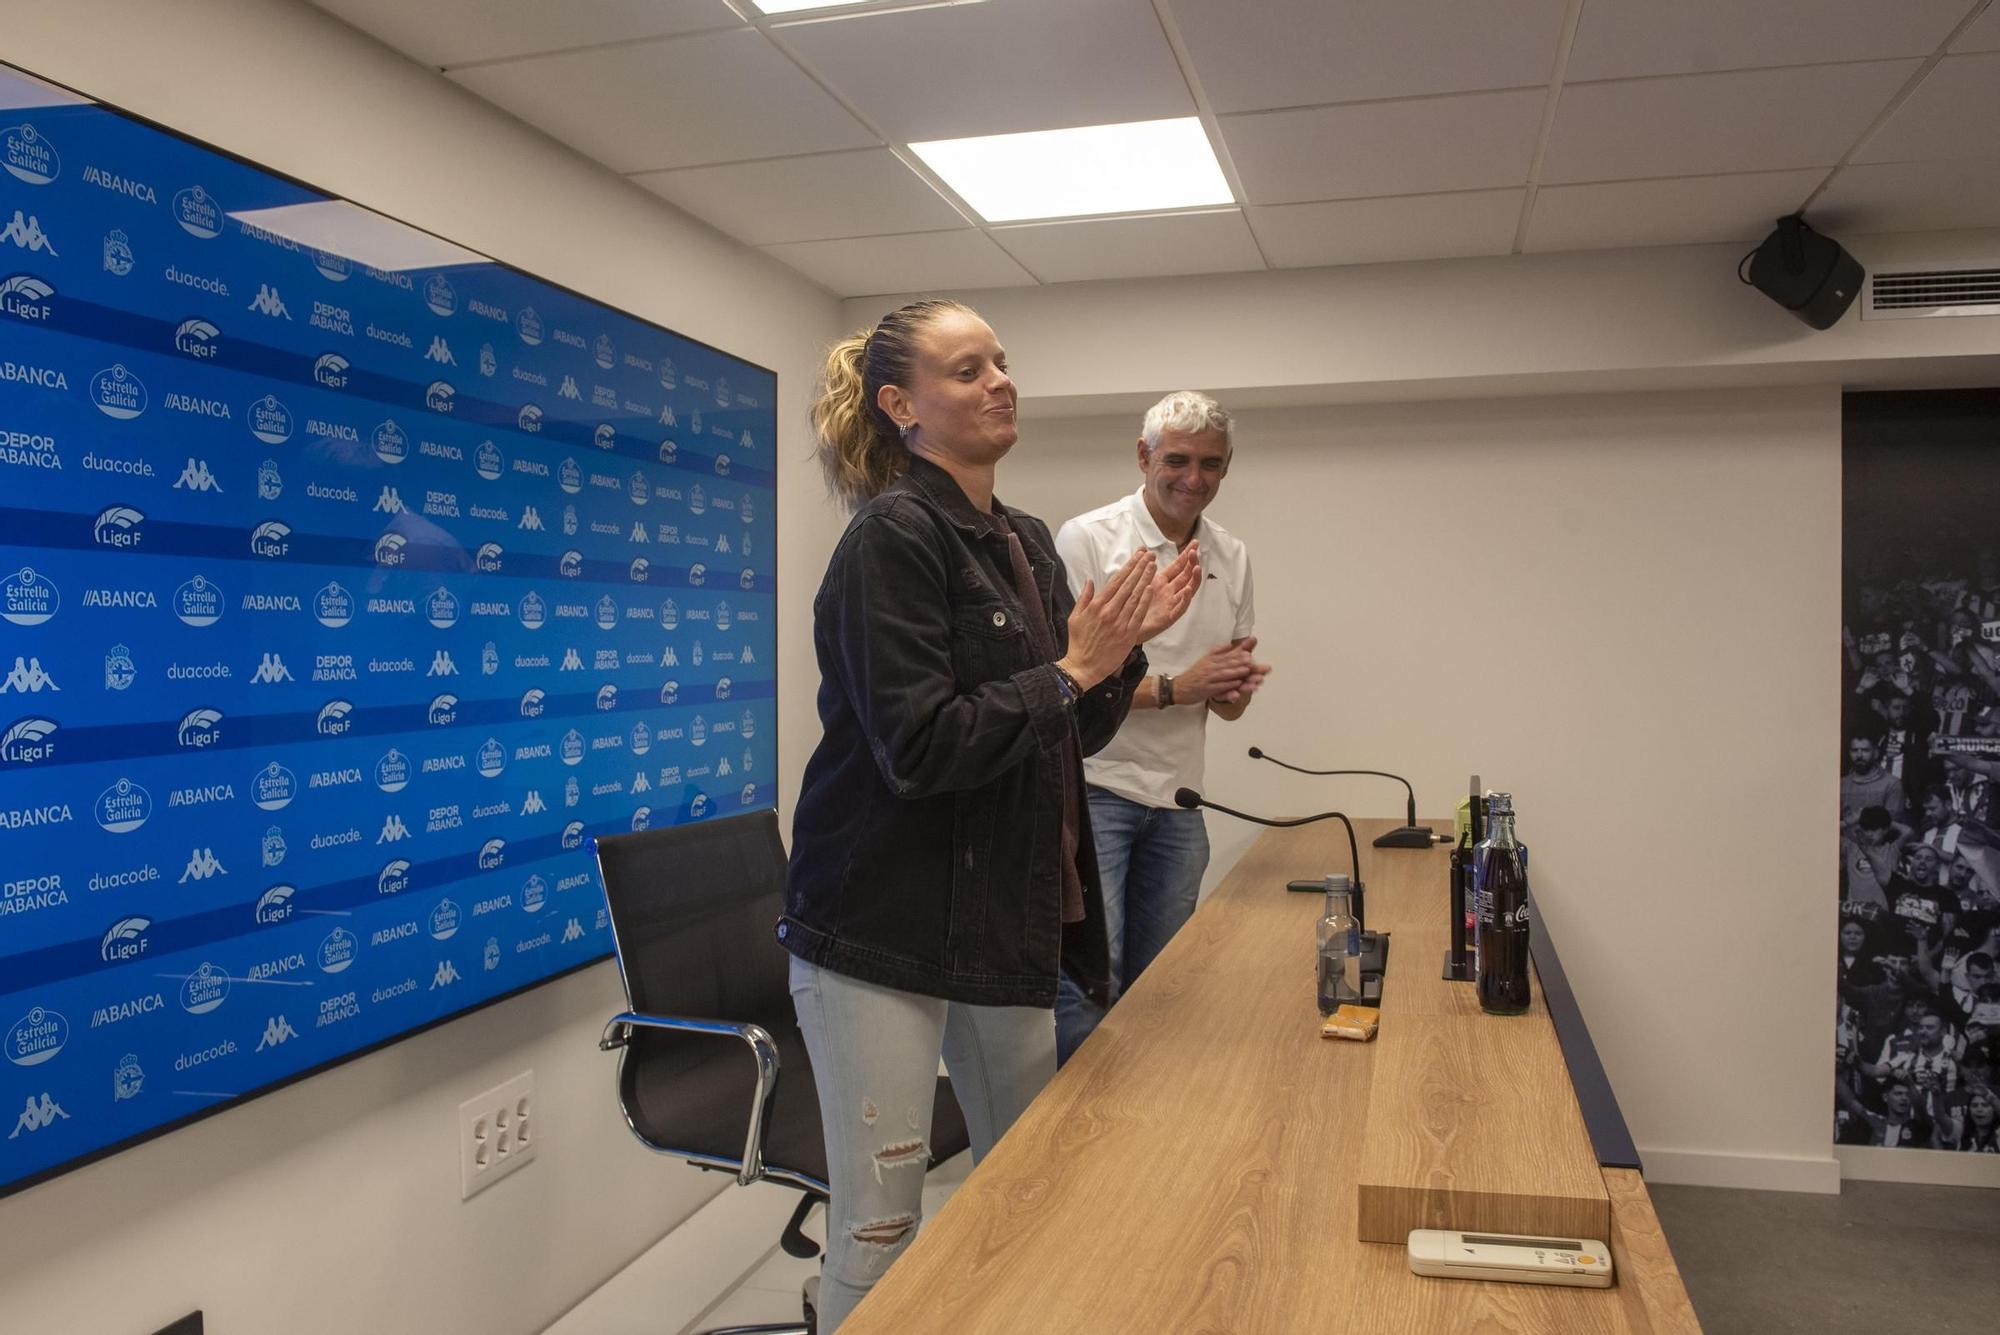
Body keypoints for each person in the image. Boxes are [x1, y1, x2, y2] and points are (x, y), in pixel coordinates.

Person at [779, 299, 1200, 1332]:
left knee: (1029, 1193)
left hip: (997, 926)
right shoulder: (892, 537)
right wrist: (1071, 669)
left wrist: (1121, 651)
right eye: (967, 370)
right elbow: (922, 747)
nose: (999, 380)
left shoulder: (1017, 539)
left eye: (1000, 361)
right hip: (878, 926)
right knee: (878, 1234)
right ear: (901, 406)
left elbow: (1063, 731)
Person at [1050, 390, 1269, 1063]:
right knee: (1089, 982)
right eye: (1177, 459)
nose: (1193, 478)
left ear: (1227, 469)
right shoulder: (1088, 538)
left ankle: (1142, 1136)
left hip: (1180, 799)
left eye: (1211, 463)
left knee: (1165, 986)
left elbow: (1225, 701)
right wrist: (1181, 687)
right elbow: (1066, 680)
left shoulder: (1231, 556)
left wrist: (1230, 690)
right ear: (1144, 457)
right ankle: (1071, 1145)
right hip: (1098, 789)